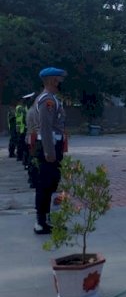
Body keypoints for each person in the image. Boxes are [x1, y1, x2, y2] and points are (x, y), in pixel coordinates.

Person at [33, 67, 67, 234]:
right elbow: (46, 128)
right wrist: (50, 152)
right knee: (45, 184)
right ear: (53, 81)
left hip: (54, 146)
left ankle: (49, 218)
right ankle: (40, 222)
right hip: (49, 147)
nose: (61, 83)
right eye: (59, 80)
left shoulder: (52, 99)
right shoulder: (47, 100)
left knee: (53, 183)